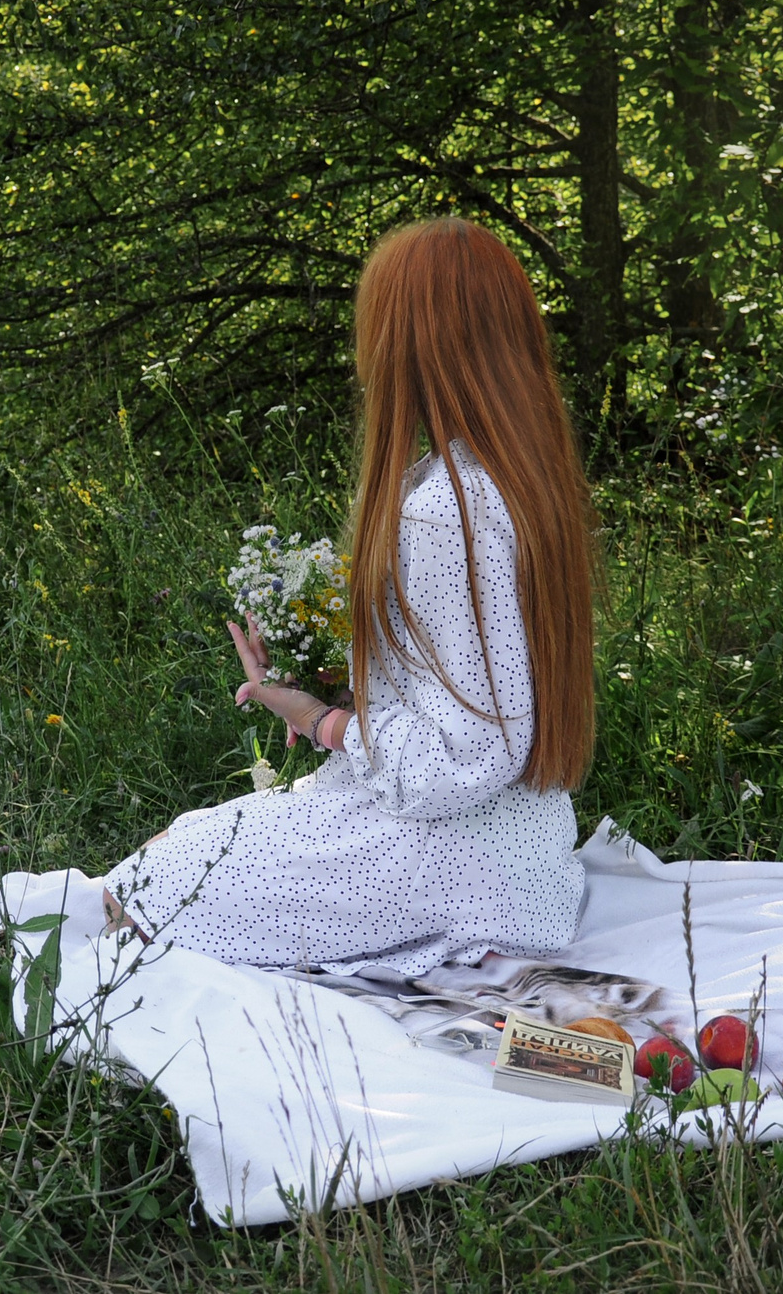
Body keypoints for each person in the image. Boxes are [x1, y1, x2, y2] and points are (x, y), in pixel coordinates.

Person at [102, 217, 595, 971]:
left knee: (141, 887)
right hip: (526, 851)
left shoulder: (443, 511)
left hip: (454, 858)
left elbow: (471, 754)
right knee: (178, 842)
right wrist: (323, 669)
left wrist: (325, 722)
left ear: (410, 343)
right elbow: (467, 678)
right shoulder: (518, 478)